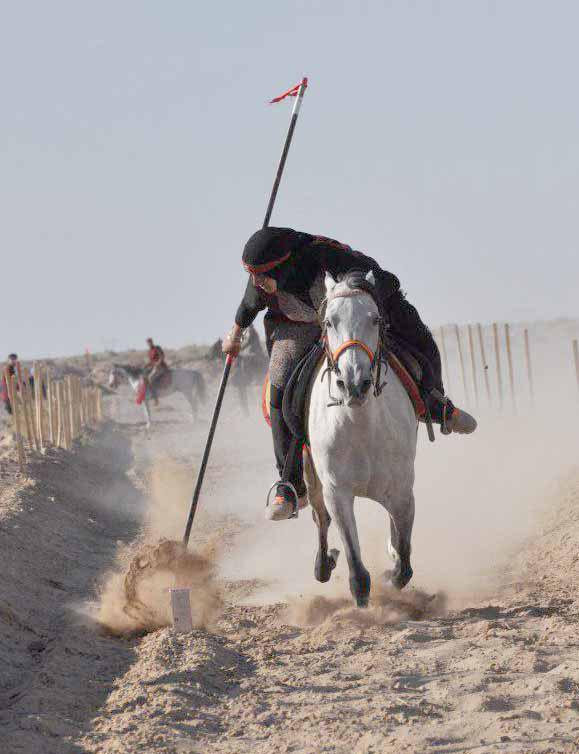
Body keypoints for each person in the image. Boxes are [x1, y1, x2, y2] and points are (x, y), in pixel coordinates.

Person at [222, 227, 477, 521]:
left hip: (351, 316)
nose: (254, 281)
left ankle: (437, 404)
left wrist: (362, 303)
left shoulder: (328, 256)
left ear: (284, 265)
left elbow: (386, 280)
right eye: (251, 275)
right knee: (279, 379)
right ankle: (289, 484)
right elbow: (247, 307)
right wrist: (235, 334)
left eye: (260, 275)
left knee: (418, 337)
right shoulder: (261, 276)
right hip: (298, 326)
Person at [144, 338, 167, 404]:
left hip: (160, 367)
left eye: (150, 342)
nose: (149, 344)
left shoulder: (157, 348)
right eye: (148, 343)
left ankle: (155, 398)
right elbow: (151, 361)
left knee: (150, 378)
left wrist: (158, 363)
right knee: (144, 375)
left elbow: (162, 356)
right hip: (153, 367)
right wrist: (146, 365)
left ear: (152, 342)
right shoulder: (149, 351)